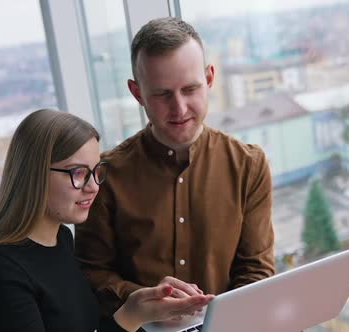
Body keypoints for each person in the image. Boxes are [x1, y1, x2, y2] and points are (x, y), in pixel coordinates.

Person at [75, 17, 275, 317]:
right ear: (137, 93)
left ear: (209, 79)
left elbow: (256, 271)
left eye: (190, 89)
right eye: (162, 94)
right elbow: (91, 272)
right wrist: (144, 304)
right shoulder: (106, 175)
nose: (179, 108)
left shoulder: (249, 165)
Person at [0, 109, 213, 332]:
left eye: (96, 171)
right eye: (78, 173)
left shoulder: (61, 240)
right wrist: (129, 317)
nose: (93, 187)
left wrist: (144, 306)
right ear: (35, 174)